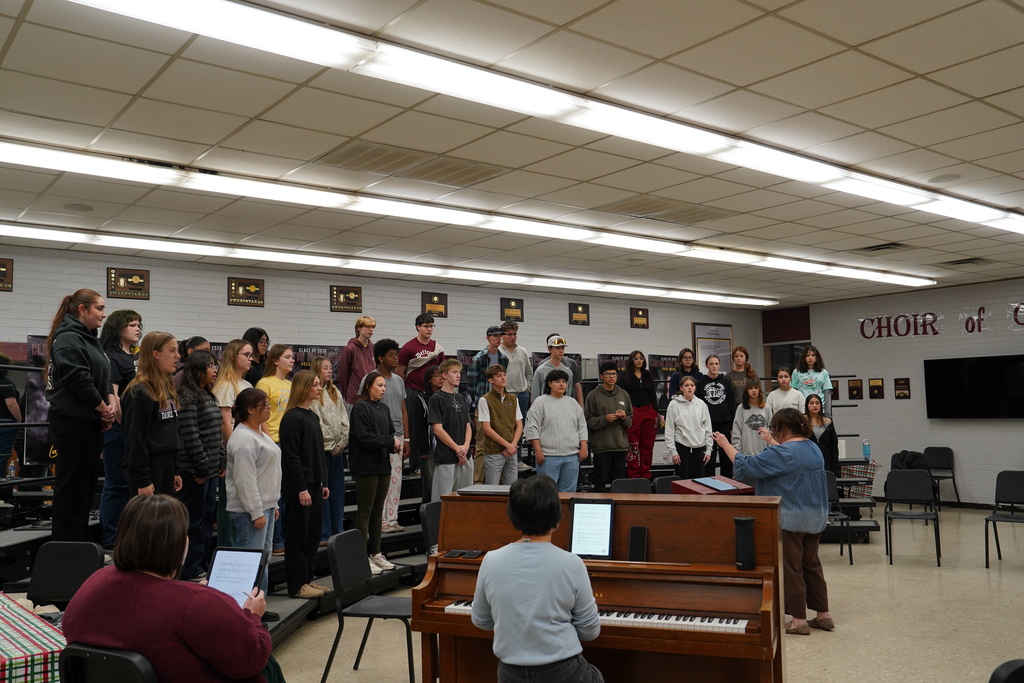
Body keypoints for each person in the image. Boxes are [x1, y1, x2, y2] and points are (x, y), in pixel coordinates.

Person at [62, 494, 272, 683]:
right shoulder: (198, 605)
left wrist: (193, 595)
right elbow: (250, 661)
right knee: (269, 666)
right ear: (178, 544)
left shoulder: (95, 581)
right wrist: (252, 616)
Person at [712, 408, 832, 636]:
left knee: (792, 568)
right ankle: (823, 615)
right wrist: (771, 441)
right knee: (811, 565)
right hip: (815, 518)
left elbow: (746, 464)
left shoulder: (783, 453)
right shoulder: (812, 447)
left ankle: (798, 621)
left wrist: (725, 443)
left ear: (783, 428)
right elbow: (789, 459)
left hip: (790, 519)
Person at [471, 476, 602, 683]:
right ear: (557, 517)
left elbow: (481, 620)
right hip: (562, 671)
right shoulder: (571, 563)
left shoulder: (491, 560)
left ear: (513, 516)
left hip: (510, 673)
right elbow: (590, 631)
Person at [44, 289, 115, 541]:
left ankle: (80, 542)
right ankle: (65, 546)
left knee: (85, 489)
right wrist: (102, 407)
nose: (104, 314)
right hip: (71, 422)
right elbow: (78, 379)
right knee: (71, 488)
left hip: (89, 421)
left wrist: (107, 408)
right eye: (99, 308)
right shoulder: (68, 338)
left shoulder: (89, 339)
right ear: (82, 309)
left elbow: (102, 377)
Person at [226, 388, 281, 598]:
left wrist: (272, 505)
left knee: (262, 560)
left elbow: (267, 473)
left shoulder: (258, 433)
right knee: (251, 563)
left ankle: (259, 605)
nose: (268, 408)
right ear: (250, 409)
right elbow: (245, 481)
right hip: (249, 512)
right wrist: (256, 511)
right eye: (264, 405)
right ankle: (246, 608)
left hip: (265, 506)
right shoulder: (243, 440)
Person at [278, 370, 328, 599]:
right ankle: (297, 585)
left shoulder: (312, 416)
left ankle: (307, 578)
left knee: (312, 535)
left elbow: (317, 452)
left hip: (315, 483)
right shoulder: (292, 417)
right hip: (300, 486)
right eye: (315, 384)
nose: (319, 388)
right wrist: (301, 488)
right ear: (304, 387)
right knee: (297, 535)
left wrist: (323, 481)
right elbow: (292, 457)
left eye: (319, 384)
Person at [175, 350, 223, 581]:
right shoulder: (187, 395)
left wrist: (220, 460)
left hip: (209, 470)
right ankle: (191, 568)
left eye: (215, 366)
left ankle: (202, 563)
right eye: (210, 366)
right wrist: (202, 468)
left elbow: (215, 432)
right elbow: (190, 435)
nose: (215, 370)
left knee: (205, 521)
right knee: (192, 522)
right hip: (193, 471)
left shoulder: (208, 395)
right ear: (197, 369)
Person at [96, 308, 141, 548]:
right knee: (116, 483)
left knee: (130, 483)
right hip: (119, 428)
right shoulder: (111, 356)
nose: (137, 328)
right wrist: (127, 425)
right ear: (117, 328)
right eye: (132, 324)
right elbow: (112, 393)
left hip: (134, 428)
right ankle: (111, 539)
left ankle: (125, 535)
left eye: (138, 324)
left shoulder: (134, 356)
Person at [349, 370, 400, 576]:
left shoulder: (384, 408)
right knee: (365, 511)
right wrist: (390, 441)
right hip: (365, 465)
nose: (383, 389)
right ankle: (360, 555)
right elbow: (365, 437)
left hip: (382, 465)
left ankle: (376, 553)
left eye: (385, 386)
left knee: (378, 511)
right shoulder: (360, 408)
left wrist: (393, 445)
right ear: (368, 386)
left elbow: (388, 433)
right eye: (379, 385)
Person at [122, 331, 182, 497]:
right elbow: (136, 439)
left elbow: (172, 431)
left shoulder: (167, 387)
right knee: (148, 521)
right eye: (172, 351)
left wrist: (175, 469)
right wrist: (143, 479)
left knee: (165, 520)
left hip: (167, 463)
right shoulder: (140, 391)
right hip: (148, 466)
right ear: (156, 354)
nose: (177, 356)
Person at [357, 339, 408, 534]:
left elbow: (404, 410)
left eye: (397, 355)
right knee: (381, 482)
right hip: (378, 437)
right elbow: (362, 403)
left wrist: (407, 438)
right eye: (391, 355)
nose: (396, 358)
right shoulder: (370, 378)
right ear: (380, 357)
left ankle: (392, 519)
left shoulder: (399, 380)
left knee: (395, 480)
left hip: (397, 435)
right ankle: (381, 522)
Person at [211, 338, 254, 549]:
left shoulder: (246, 384)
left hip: (249, 449)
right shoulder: (226, 385)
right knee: (230, 502)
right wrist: (232, 451)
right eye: (246, 354)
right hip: (234, 451)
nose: (251, 359)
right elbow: (225, 421)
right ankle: (227, 547)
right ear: (232, 356)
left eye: (251, 355)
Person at [524, 369, 588, 493]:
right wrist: (538, 451)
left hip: (572, 457)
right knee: (546, 494)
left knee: (569, 494)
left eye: (564, 381)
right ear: (549, 384)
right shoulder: (540, 402)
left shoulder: (573, 403)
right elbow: (532, 427)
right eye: (557, 381)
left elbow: (582, 426)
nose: (562, 384)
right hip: (548, 457)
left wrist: (584, 447)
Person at [256, 344, 293, 555]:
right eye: (287, 357)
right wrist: (269, 441)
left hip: (289, 442)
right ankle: (276, 540)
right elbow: (262, 416)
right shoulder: (264, 383)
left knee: (287, 493)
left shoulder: (291, 383)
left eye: (292, 357)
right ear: (276, 360)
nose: (292, 360)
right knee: (274, 494)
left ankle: (286, 537)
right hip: (273, 440)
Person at [310, 356, 349, 543]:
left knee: (337, 491)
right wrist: (332, 446)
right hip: (324, 451)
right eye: (325, 368)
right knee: (324, 491)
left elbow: (344, 418)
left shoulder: (334, 391)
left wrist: (342, 442)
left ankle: (337, 530)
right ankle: (324, 533)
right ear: (317, 369)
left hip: (338, 451)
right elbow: (318, 421)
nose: (329, 370)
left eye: (330, 367)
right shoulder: (314, 394)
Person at [468, 326, 509, 484]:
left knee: (500, 439)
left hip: (500, 404)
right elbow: (471, 384)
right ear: (488, 338)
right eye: (495, 336)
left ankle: (497, 478)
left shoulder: (504, 358)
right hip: (483, 403)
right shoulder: (479, 358)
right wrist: (479, 402)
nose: (498, 339)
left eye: (500, 336)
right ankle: (478, 480)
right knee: (481, 443)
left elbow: (504, 381)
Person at [585, 361, 632, 492]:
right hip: (602, 448)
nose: (611, 377)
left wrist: (624, 418)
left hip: (620, 446)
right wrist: (604, 419)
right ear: (601, 376)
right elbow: (588, 421)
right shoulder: (593, 396)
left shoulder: (624, 394)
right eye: (608, 374)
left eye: (614, 374)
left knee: (619, 484)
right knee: (600, 483)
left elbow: (630, 422)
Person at [429, 359, 472, 501]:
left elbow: (468, 426)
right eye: (454, 372)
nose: (458, 375)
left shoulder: (461, 398)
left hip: (465, 456)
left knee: (464, 498)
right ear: (444, 375)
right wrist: (457, 449)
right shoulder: (436, 399)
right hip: (446, 456)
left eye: (459, 372)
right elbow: (438, 429)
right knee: (443, 499)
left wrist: (465, 447)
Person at [476, 364, 524, 486]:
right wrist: (507, 445)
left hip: (512, 451)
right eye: (499, 376)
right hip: (494, 452)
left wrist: (512, 445)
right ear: (491, 380)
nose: (503, 378)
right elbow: (486, 429)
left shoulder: (513, 399)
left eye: (504, 375)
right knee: (492, 489)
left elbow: (519, 425)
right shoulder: (485, 400)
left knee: (512, 488)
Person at [498, 320, 533, 472]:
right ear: (502, 335)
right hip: (505, 395)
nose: (512, 337)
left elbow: (529, 372)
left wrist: (527, 388)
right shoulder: (497, 351)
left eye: (515, 334)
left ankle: (518, 460)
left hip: (521, 394)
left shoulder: (522, 351)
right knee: (505, 428)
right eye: (509, 334)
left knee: (520, 427)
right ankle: (505, 459)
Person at [663, 375, 711, 480]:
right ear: (681, 388)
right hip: (681, 447)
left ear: (695, 387)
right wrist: (673, 452)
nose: (689, 388)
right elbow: (669, 430)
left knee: (699, 482)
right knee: (683, 481)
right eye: (686, 385)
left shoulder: (701, 404)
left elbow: (708, 429)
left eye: (692, 385)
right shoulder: (673, 405)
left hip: (699, 448)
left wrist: (709, 450)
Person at [617, 351, 655, 480]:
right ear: (631, 360)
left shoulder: (647, 374)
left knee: (647, 445)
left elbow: (653, 394)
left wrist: (655, 411)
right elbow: (621, 395)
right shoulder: (624, 376)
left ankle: (646, 474)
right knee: (633, 445)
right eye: (636, 358)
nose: (639, 360)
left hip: (648, 412)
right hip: (633, 412)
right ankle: (633, 475)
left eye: (641, 358)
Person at [697, 355, 735, 478]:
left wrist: (732, 425)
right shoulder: (701, 383)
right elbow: (698, 404)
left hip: (724, 422)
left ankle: (728, 482)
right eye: (711, 364)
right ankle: (709, 482)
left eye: (716, 364)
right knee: (709, 456)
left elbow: (731, 403)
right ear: (707, 365)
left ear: (719, 365)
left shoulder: (725, 381)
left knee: (726, 455)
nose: (714, 366)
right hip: (709, 424)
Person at [409, 366, 443, 504]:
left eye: (442, 375)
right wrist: (423, 448)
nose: (441, 378)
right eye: (437, 375)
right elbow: (418, 425)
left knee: (442, 485)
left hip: (444, 447)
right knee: (430, 485)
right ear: (429, 380)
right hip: (428, 448)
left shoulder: (445, 397)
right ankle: (427, 518)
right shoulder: (421, 399)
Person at [531, 334, 583, 407]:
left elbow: (568, 393)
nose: (561, 351)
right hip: (545, 408)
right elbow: (535, 395)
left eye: (562, 348)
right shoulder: (541, 371)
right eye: (557, 348)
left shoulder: (568, 372)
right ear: (550, 349)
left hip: (563, 408)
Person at [337, 315, 376, 407]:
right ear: (359, 328)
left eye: (372, 327)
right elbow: (343, 375)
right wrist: (347, 395)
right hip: (354, 398)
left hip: (371, 397)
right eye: (367, 327)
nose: (371, 329)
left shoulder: (373, 348)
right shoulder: (350, 348)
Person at [732, 381, 772, 457]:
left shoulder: (766, 408)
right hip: (746, 453)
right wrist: (738, 451)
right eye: (750, 388)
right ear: (747, 391)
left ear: (760, 390)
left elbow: (771, 430)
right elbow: (736, 431)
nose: (753, 390)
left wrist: (770, 450)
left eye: (756, 388)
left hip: (764, 452)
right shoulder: (741, 408)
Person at [805, 394, 840, 478]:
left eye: (817, 403)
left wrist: (834, 467)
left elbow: (834, 445)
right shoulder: (802, 422)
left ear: (821, 405)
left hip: (826, 460)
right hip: (807, 461)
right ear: (807, 405)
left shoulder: (828, 422)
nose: (814, 406)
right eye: (811, 403)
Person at [792, 346, 833, 416]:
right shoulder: (796, 372)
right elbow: (793, 392)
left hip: (819, 409)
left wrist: (828, 414)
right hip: (802, 410)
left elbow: (827, 394)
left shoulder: (823, 372)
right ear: (803, 358)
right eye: (807, 355)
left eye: (813, 355)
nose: (810, 358)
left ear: (817, 357)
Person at [0, 353, 22, 466]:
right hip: (5, 422)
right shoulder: (5, 383)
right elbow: (11, 404)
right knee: (2, 455)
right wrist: (19, 419)